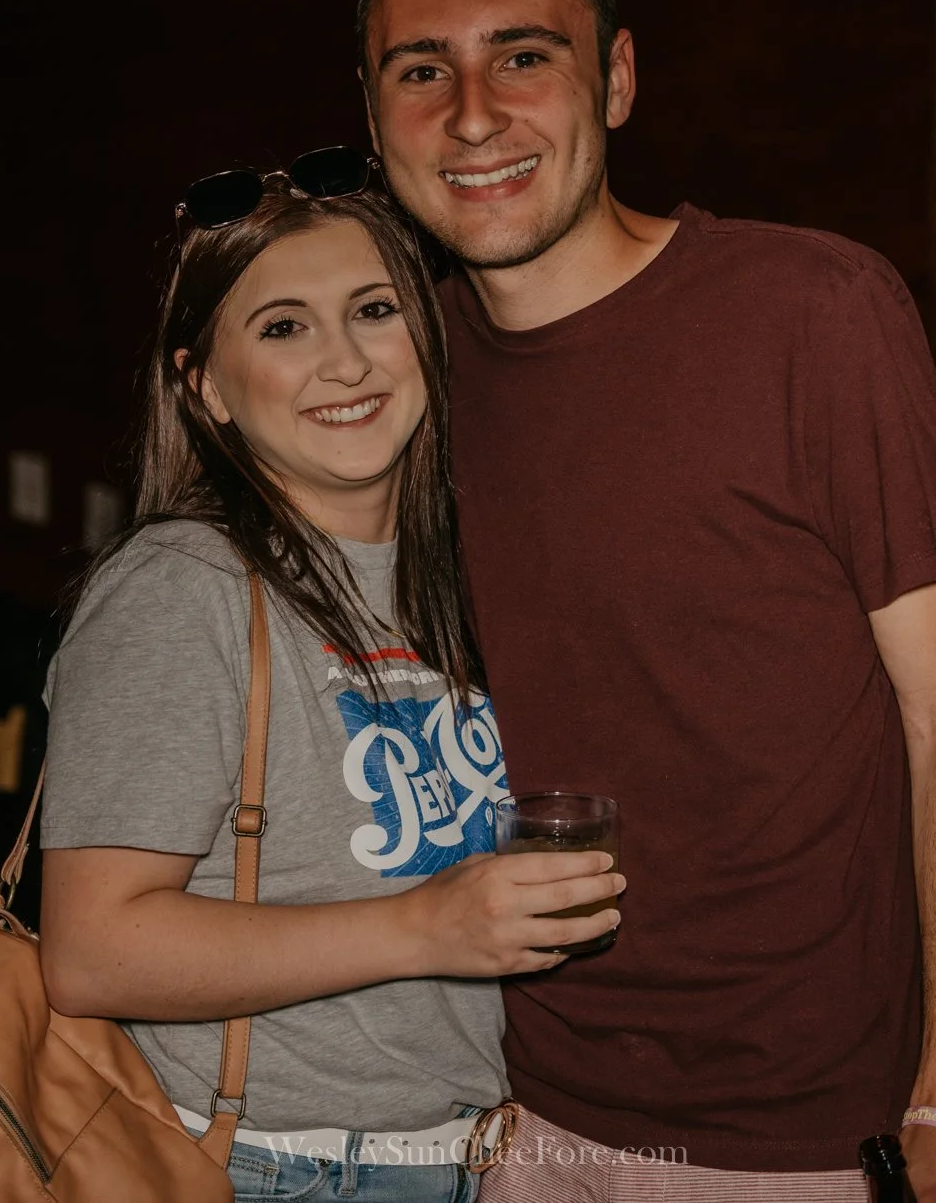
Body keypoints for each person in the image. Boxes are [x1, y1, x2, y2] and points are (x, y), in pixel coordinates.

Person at [354, 0, 936, 1203]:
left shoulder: (815, 312)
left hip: (800, 1134)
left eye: (522, 55)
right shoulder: (396, 373)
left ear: (615, 80)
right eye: (422, 70)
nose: (475, 112)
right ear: (374, 117)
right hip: (510, 1112)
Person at [35, 162, 628, 1203]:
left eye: (372, 310)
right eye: (281, 328)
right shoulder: (184, 587)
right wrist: (422, 926)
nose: (344, 361)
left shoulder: (459, 572)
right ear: (206, 385)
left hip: (473, 1155)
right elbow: (93, 950)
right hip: (277, 1168)